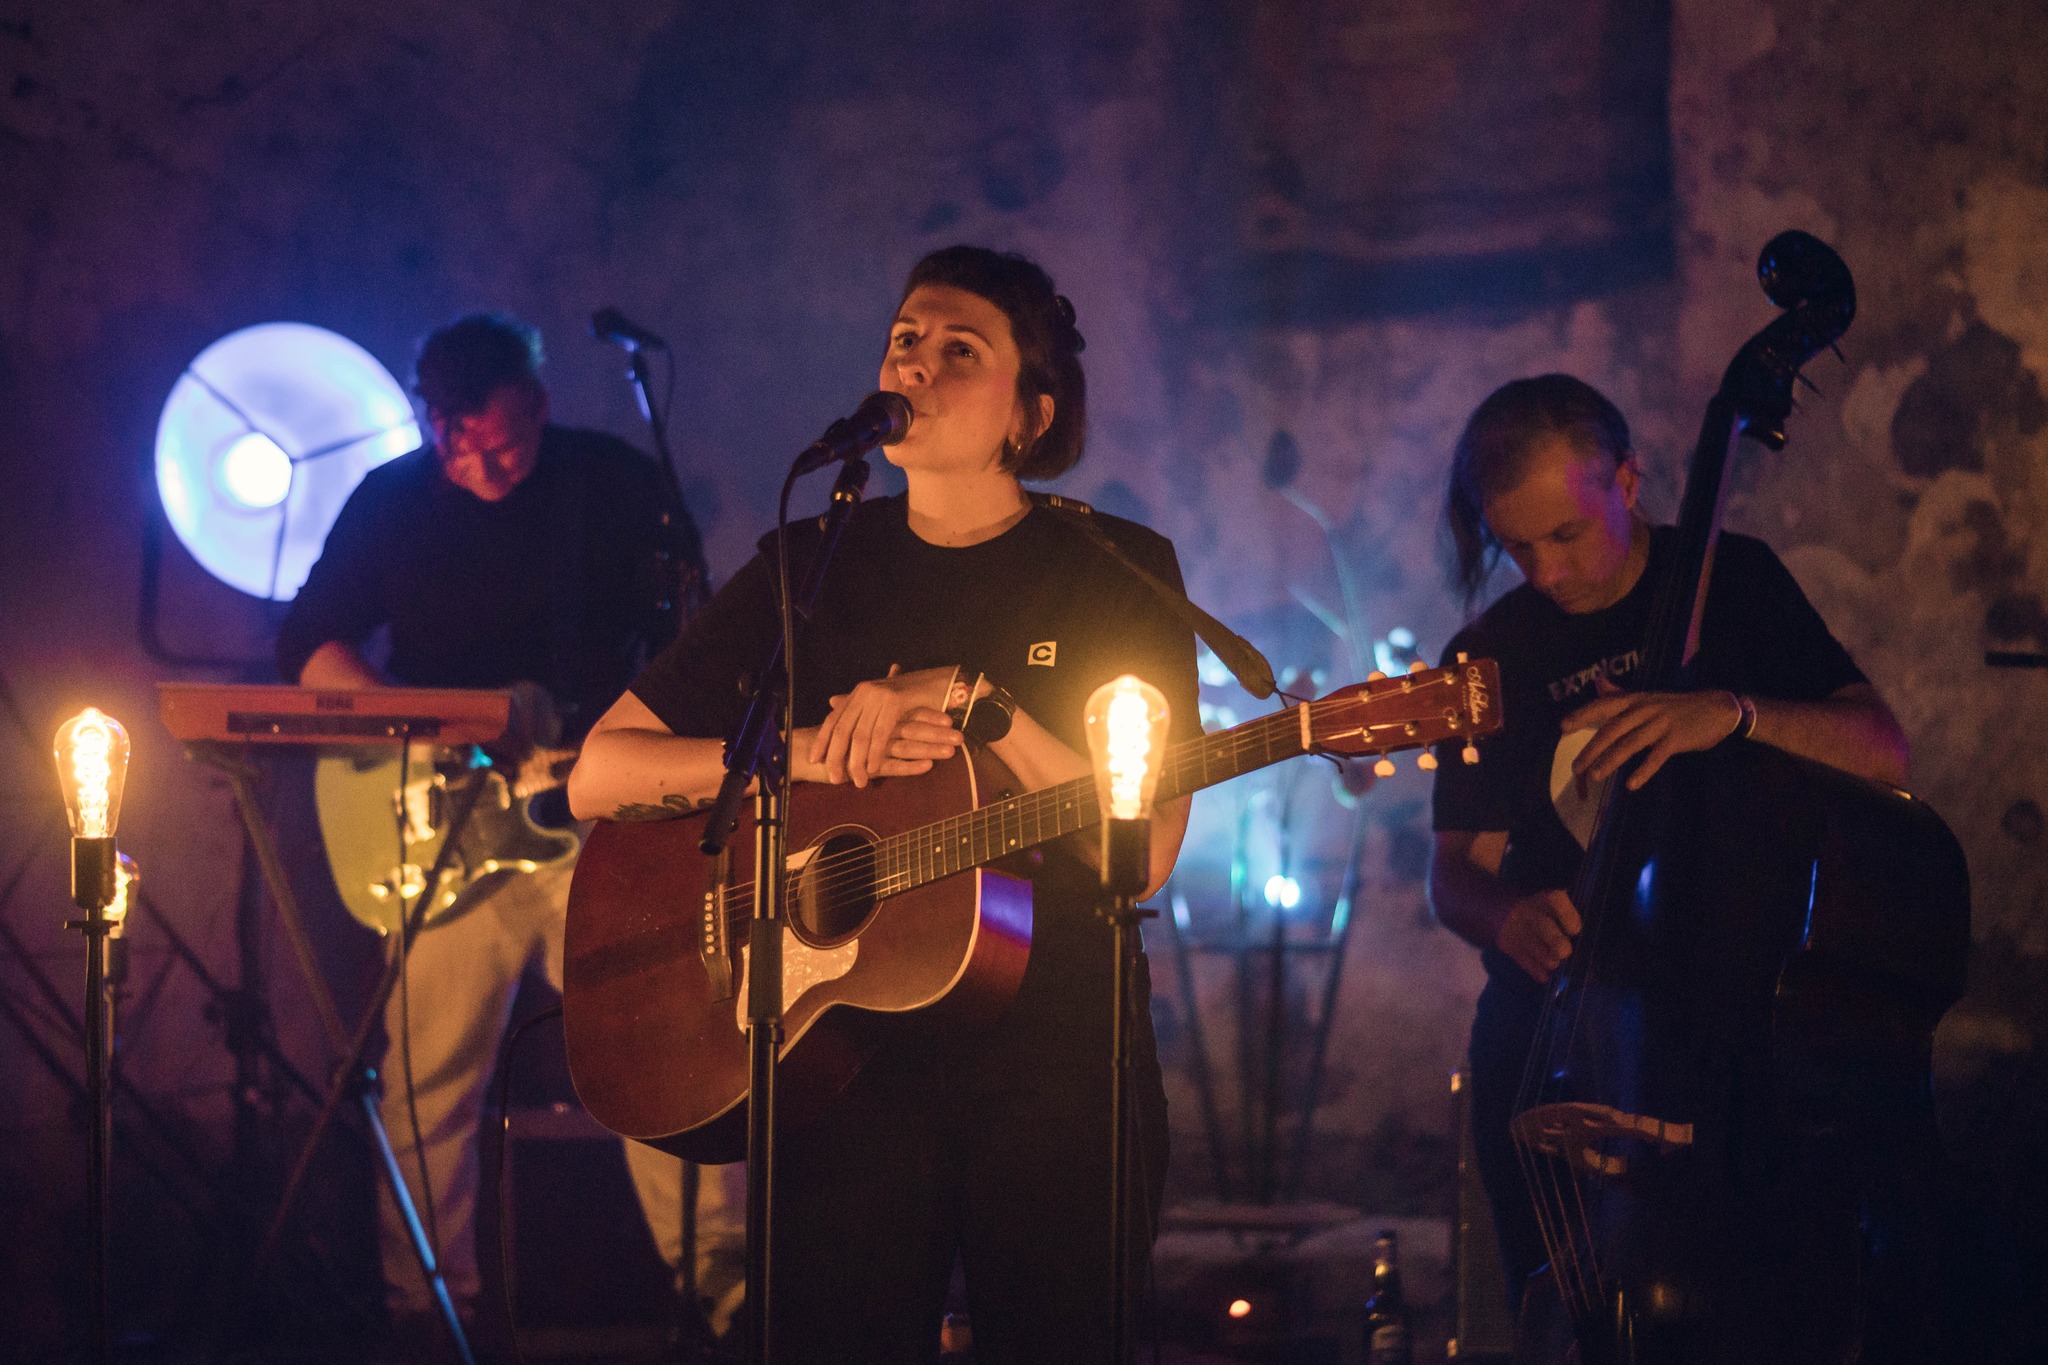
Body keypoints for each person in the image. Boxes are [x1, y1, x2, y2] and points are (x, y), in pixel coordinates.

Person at [566, 244, 1201, 1363]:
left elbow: (1141, 849)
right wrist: (802, 755)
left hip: (1058, 1059)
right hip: (839, 1059)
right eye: (906, 339)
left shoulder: (1114, 572)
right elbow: (599, 772)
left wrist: (977, 704)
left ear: (1031, 414)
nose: (916, 364)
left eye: (961, 350)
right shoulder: (811, 562)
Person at [274, 312, 718, 1343]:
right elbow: (309, 641)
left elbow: (691, 640)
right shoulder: (392, 498)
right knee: (426, 1084)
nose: (478, 464)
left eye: (504, 444)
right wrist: (429, 725)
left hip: (589, 822)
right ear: (429, 418)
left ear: (541, 408)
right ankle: (427, 1311)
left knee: (660, 1049)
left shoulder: (613, 484)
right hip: (446, 829)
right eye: (454, 442)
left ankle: (723, 1294)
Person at [1424, 374, 1909, 1312]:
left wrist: (1731, 714)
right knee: (1560, 1311)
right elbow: (1453, 877)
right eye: (1517, 547)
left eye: (1567, 534)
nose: (1546, 572)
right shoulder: (1488, 655)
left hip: (1732, 1027)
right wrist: (1507, 917)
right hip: (1558, 1043)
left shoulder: (1735, 580)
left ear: (1629, 480)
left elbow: (1884, 751)